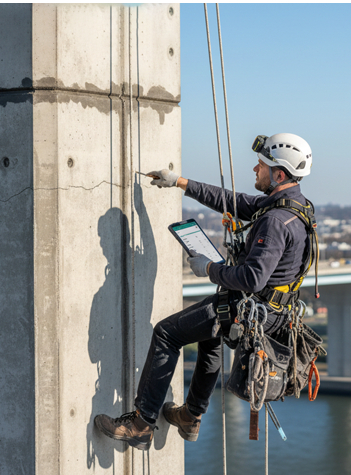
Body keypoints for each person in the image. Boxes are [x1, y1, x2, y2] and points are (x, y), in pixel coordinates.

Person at [94, 133, 315, 450]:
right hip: (272, 312)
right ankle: (191, 415)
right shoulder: (296, 206)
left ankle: (141, 424)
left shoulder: (276, 221)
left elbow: (252, 278)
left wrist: (208, 269)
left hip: (252, 308)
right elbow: (235, 202)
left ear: (278, 174)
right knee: (211, 334)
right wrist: (179, 182)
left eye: (262, 165)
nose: (255, 168)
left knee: (167, 333)